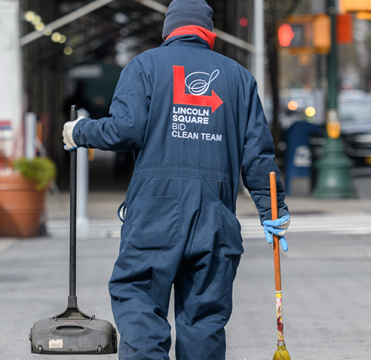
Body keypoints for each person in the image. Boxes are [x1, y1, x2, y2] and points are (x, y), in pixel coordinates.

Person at [61, 1, 290, 359]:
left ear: (168, 31)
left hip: (155, 216)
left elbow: (125, 130)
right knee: (204, 320)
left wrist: (80, 131)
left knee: (138, 302)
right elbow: (258, 155)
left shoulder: (145, 66)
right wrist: (271, 209)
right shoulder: (239, 78)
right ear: (208, 34)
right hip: (216, 219)